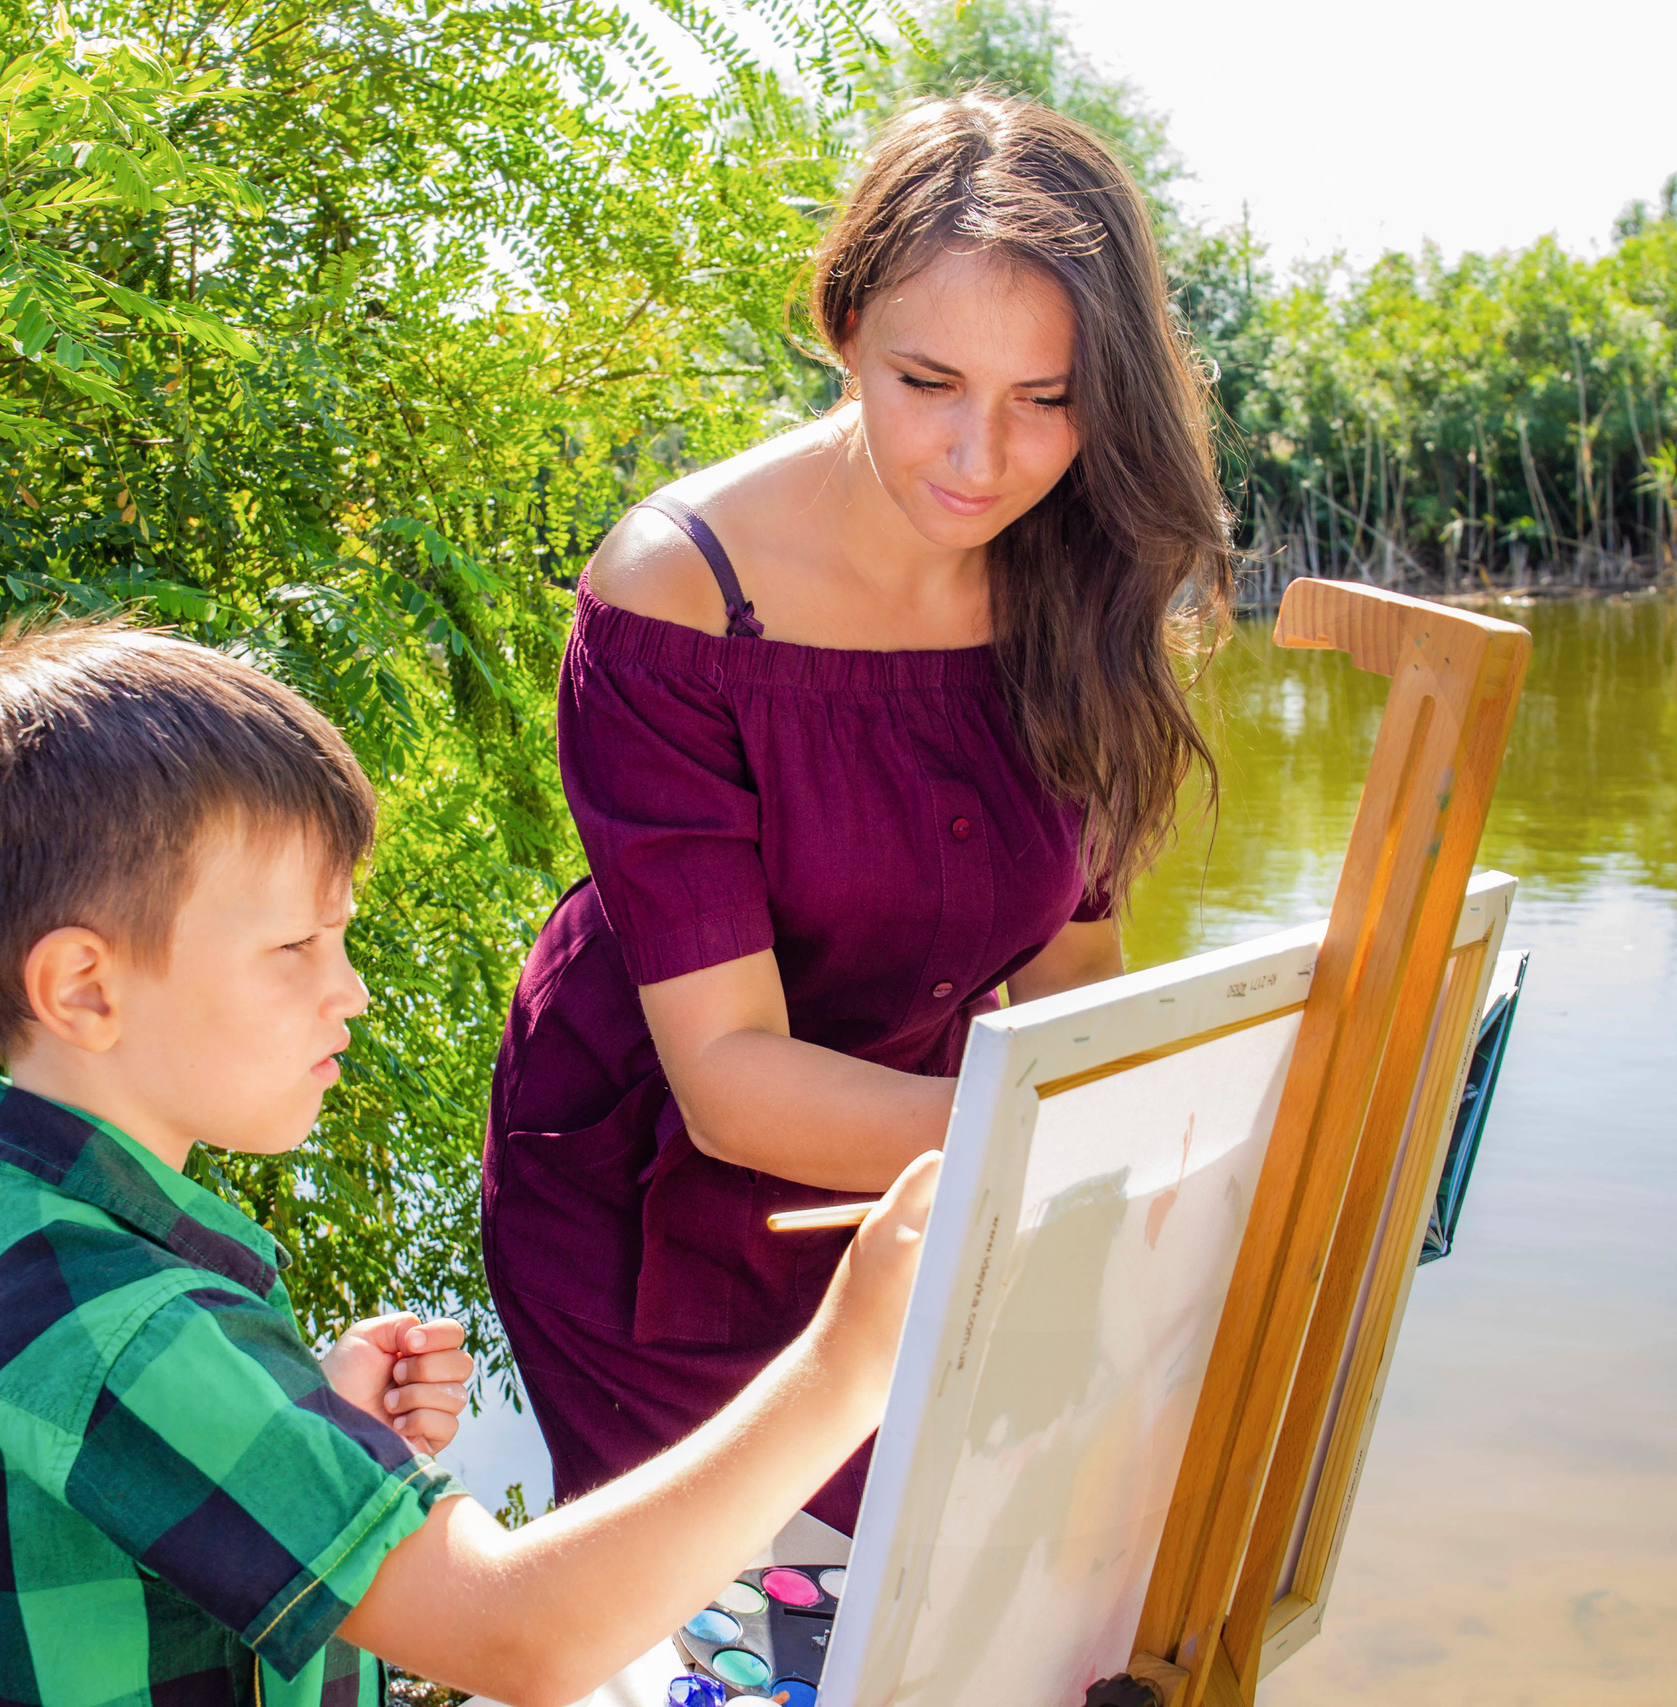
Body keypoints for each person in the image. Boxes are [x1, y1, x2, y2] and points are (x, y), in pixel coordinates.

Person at [0, 618, 938, 1707]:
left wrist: (308, 1423)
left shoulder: (34, 1236)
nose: (352, 991)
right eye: (296, 947)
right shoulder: (124, 1331)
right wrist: (850, 1358)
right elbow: (520, 1636)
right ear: (85, 989)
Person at [483, 90, 1232, 1533]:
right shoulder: (678, 591)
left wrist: (1133, 1154)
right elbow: (732, 1081)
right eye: (928, 381)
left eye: (1045, 399)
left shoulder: (1074, 565)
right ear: (841, 329)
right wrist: (1078, 1144)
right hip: (650, 1210)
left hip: (931, 1177)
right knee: (751, 1619)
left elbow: (1070, 963)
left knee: (982, 1569)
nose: (978, 458)